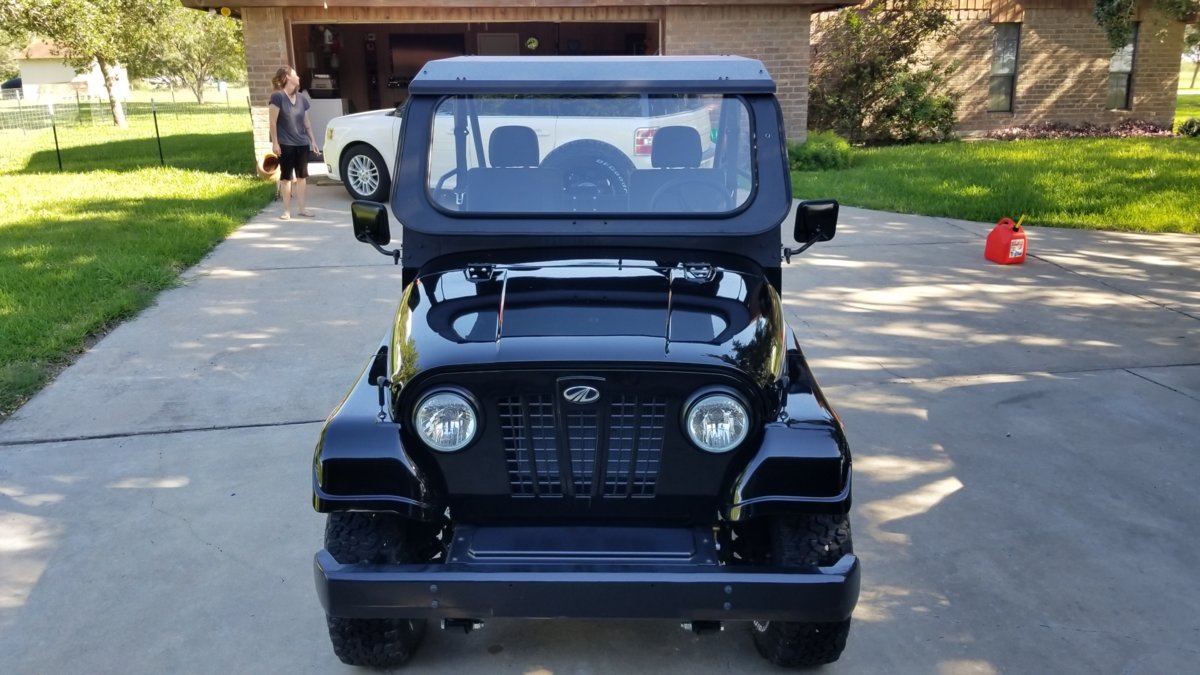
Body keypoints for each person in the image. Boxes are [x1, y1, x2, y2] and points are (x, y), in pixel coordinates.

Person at [268, 66, 320, 219]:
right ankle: (286, 211)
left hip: (302, 143)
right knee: (286, 177)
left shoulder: (302, 99)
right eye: (295, 75)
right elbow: (272, 123)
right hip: (286, 144)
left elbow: (306, 122)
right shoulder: (277, 97)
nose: (298, 77)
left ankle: (302, 209)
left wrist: (313, 141)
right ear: (287, 77)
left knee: (302, 177)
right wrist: (275, 143)